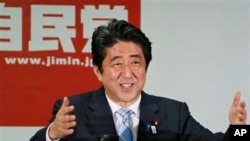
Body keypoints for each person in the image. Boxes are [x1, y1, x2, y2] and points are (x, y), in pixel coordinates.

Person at [30, 19, 247, 141]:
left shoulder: (174, 113)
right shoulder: (73, 111)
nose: (127, 73)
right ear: (97, 70)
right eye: (117, 63)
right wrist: (52, 135)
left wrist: (239, 129)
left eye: (135, 63)